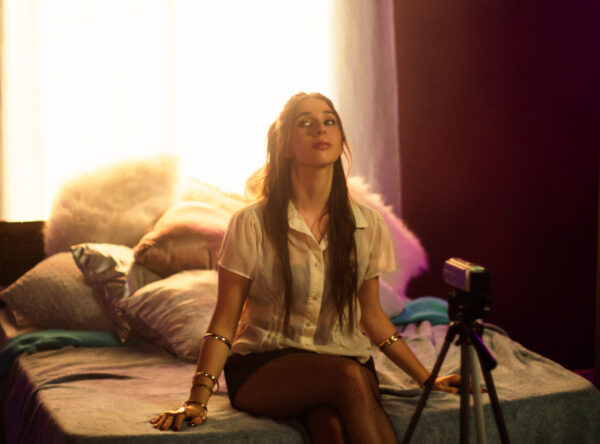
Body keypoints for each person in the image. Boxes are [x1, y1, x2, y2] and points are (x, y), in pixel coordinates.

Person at [151, 92, 460, 443]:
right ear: (285, 145)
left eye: (329, 121)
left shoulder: (367, 225)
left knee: (331, 427)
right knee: (348, 379)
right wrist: (197, 399)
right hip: (265, 369)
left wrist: (426, 378)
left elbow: (372, 316)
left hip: (345, 362)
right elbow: (224, 321)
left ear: (341, 140)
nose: (320, 129)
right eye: (306, 123)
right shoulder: (251, 223)